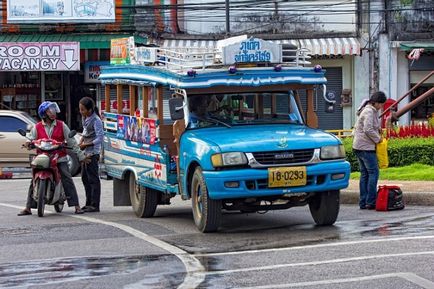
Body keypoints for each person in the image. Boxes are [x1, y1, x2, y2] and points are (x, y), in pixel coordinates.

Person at [18, 101, 87, 216]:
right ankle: (28, 207)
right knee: (33, 178)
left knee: (66, 177)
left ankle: (76, 206)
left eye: (53, 111)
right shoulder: (37, 126)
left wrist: (80, 156)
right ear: (44, 113)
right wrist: (28, 143)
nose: (53, 113)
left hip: (59, 157)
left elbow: (72, 142)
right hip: (42, 157)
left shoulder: (61, 125)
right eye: (50, 111)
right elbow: (30, 138)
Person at [352, 91, 387, 210]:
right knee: (373, 173)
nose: (381, 107)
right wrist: (378, 140)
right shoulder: (369, 111)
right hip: (365, 147)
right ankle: (371, 202)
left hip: (359, 146)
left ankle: (364, 202)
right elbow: (368, 129)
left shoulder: (367, 109)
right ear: (376, 102)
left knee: (365, 174)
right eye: (381, 104)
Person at [78, 97, 104, 213]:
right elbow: (85, 131)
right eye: (80, 109)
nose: (81, 112)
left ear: (89, 109)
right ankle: (88, 203)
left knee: (93, 179)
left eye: (83, 110)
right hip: (85, 152)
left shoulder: (96, 120)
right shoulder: (85, 118)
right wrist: (81, 140)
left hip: (93, 153)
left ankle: (95, 205)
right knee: (85, 178)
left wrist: (87, 144)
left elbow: (100, 138)